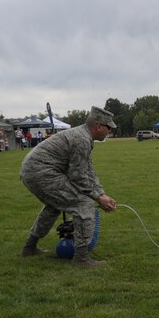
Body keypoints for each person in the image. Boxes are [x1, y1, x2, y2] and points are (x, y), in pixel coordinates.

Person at [19, 106, 117, 268]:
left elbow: (88, 171)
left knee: (54, 206)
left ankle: (29, 248)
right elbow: (77, 177)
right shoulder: (82, 139)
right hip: (40, 172)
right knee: (83, 203)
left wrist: (101, 193)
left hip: (33, 171)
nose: (109, 131)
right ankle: (81, 258)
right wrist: (98, 198)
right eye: (109, 128)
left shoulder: (83, 136)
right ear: (99, 126)